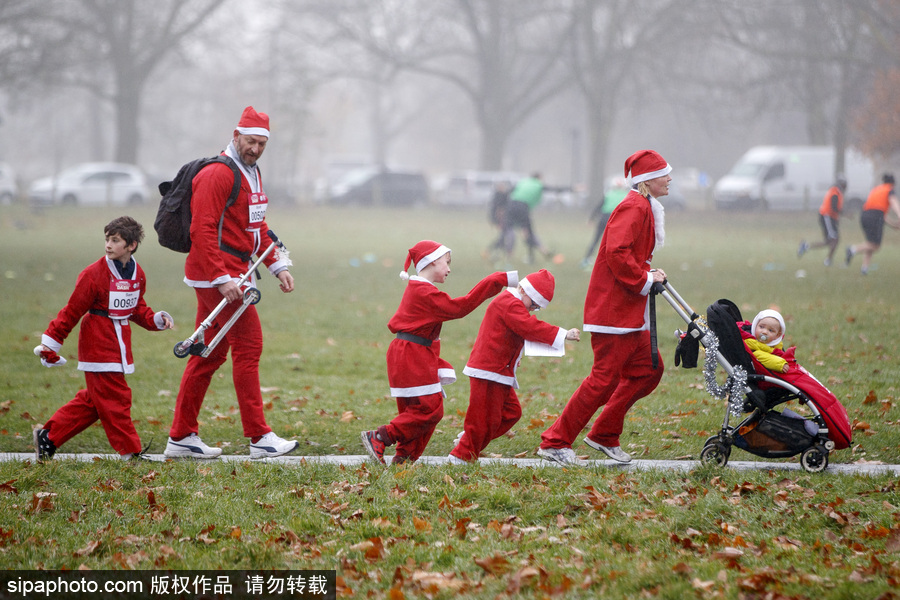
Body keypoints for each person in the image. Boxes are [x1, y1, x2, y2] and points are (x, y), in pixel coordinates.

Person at [164, 106, 297, 460]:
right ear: (236, 135)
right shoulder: (218, 175)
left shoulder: (251, 173)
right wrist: (221, 278)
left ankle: (181, 437)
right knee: (249, 346)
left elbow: (255, 227)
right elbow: (201, 229)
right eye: (250, 141)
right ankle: (259, 437)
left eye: (261, 144)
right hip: (218, 277)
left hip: (233, 273)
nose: (255, 149)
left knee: (208, 353)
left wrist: (277, 264)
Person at [538, 149, 670, 466]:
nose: (669, 180)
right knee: (603, 379)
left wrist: (649, 274)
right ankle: (555, 442)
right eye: (664, 174)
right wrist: (643, 279)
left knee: (648, 369)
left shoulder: (645, 206)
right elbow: (616, 252)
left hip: (629, 310)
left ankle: (604, 434)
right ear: (648, 180)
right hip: (614, 311)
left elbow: (632, 256)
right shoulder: (634, 207)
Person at [361, 240, 518, 465]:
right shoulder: (423, 292)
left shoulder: (422, 290)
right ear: (432, 261)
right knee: (430, 410)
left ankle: (403, 460)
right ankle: (380, 436)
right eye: (446, 262)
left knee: (418, 411)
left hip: (413, 352)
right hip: (412, 354)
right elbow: (460, 307)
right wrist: (496, 281)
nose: (449, 268)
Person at [33, 216, 174, 461]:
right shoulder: (93, 274)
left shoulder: (137, 273)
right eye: (107, 239)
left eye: (115, 240)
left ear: (131, 245)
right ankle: (130, 453)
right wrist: (51, 342)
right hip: (97, 345)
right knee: (117, 399)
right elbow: (72, 311)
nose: (108, 245)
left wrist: (157, 320)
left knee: (95, 402)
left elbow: (137, 308)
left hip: (119, 346)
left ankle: (48, 437)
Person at [448, 269, 580, 464]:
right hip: (488, 370)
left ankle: (471, 438)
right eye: (534, 305)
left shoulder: (512, 304)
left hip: (499, 371)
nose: (533, 309)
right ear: (525, 292)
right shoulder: (509, 304)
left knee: (511, 413)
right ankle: (461, 455)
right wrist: (563, 334)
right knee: (484, 418)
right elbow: (530, 327)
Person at [846, 173, 900, 275]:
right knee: (875, 246)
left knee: (870, 243)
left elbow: (881, 215)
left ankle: (864, 269)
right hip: (875, 216)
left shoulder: (877, 190)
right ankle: (852, 250)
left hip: (865, 215)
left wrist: (894, 225)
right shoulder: (889, 190)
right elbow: (893, 202)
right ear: (893, 183)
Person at [502, 173, 553, 264]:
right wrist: (573, 189)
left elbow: (509, 191)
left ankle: (509, 255)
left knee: (510, 230)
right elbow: (554, 189)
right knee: (528, 232)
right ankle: (539, 252)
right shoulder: (538, 184)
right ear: (539, 178)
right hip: (523, 207)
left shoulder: (523, 182)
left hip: (511, 205)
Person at [798, 175, 846, 266]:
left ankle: (806, 246)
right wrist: (844, 214)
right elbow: (834, 207)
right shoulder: (835, 192)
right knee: (834, 239)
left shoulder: (835, 191)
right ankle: (828, 260)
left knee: (830, 241)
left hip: (829, 217)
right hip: (827, 217)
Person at [581, 177, 629, 268]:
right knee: (615, 242)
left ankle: (586, 259)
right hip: (615, 219)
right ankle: (615, 261)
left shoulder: (608, 194)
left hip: (603, 218)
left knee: (596, 239)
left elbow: (598, 206)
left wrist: (591, 218)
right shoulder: (626, 195)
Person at [742, 309, 790, 374]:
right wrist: (779, 364)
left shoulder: (777, 345)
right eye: (761, 327)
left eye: (770, 330)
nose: (764, 332)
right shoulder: (750, 343)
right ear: (755, 326)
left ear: (777, 335)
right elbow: (760, 356)